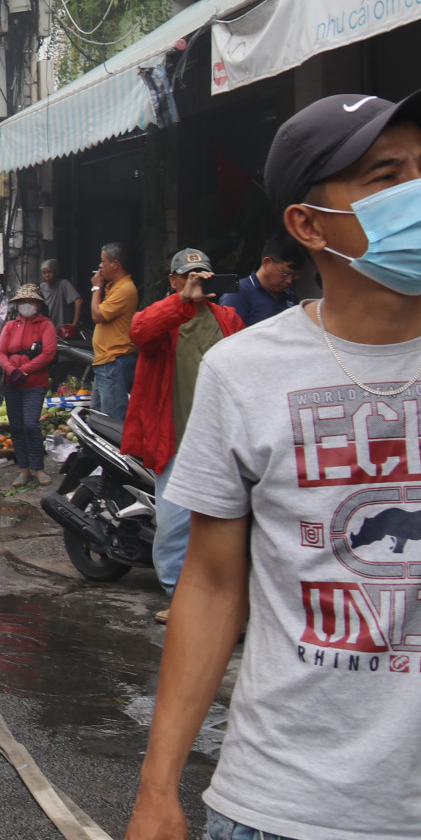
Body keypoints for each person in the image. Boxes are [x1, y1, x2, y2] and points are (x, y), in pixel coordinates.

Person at [124, 87, 421, 840]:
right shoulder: (244, 369)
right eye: (386, 178)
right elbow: (215, 584)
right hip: (284, 809)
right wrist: (159, 791)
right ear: (308, 225)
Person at [124, 248, 245, 612]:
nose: (198, 281)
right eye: (190, 275)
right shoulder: (163, 317)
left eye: (204, 275)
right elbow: (139, 333)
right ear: (174, 279)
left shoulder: (228, 318)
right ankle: (179, 598)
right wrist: (182, 301)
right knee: (173, 526)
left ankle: (222, 597)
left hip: (220, 442)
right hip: (173, 440)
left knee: (223, 524)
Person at [0, 285, 58, 487]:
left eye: (30, 301)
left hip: (34, 383)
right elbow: (0, 352)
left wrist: (25, 370)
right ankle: (23, 469)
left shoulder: (46, 325)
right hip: (11, 382)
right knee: (16, 426)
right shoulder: (11, 325)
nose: (25, 305)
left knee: (31, 424)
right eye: (22, 302)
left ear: (38, 304)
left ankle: (38, 468)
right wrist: (12, 370)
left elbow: (48, 353)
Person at [89, 242, 139, 423]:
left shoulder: (125, 289)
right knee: (97, 418)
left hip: (114, 361)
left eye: (103, 261)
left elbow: (97, 315)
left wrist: (96, 288)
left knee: (112, 422)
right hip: (106, 360)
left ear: (115, 264)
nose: (100, 266)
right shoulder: (115, 287)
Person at [217, 232, 304, 327]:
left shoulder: (290, 297)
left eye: (294, 276)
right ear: (267, 263)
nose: (289, 281)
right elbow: (228, 336)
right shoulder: (238, 294)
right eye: (285, 273)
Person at [41, 259, 84, 339]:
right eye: (44, 273)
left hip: (62, 330)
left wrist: (74, 324)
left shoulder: (63, 284)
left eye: (49, 272)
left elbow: (79, 301)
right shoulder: (42, 287)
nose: (46, 275)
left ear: (56, 272)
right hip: (46, 329)